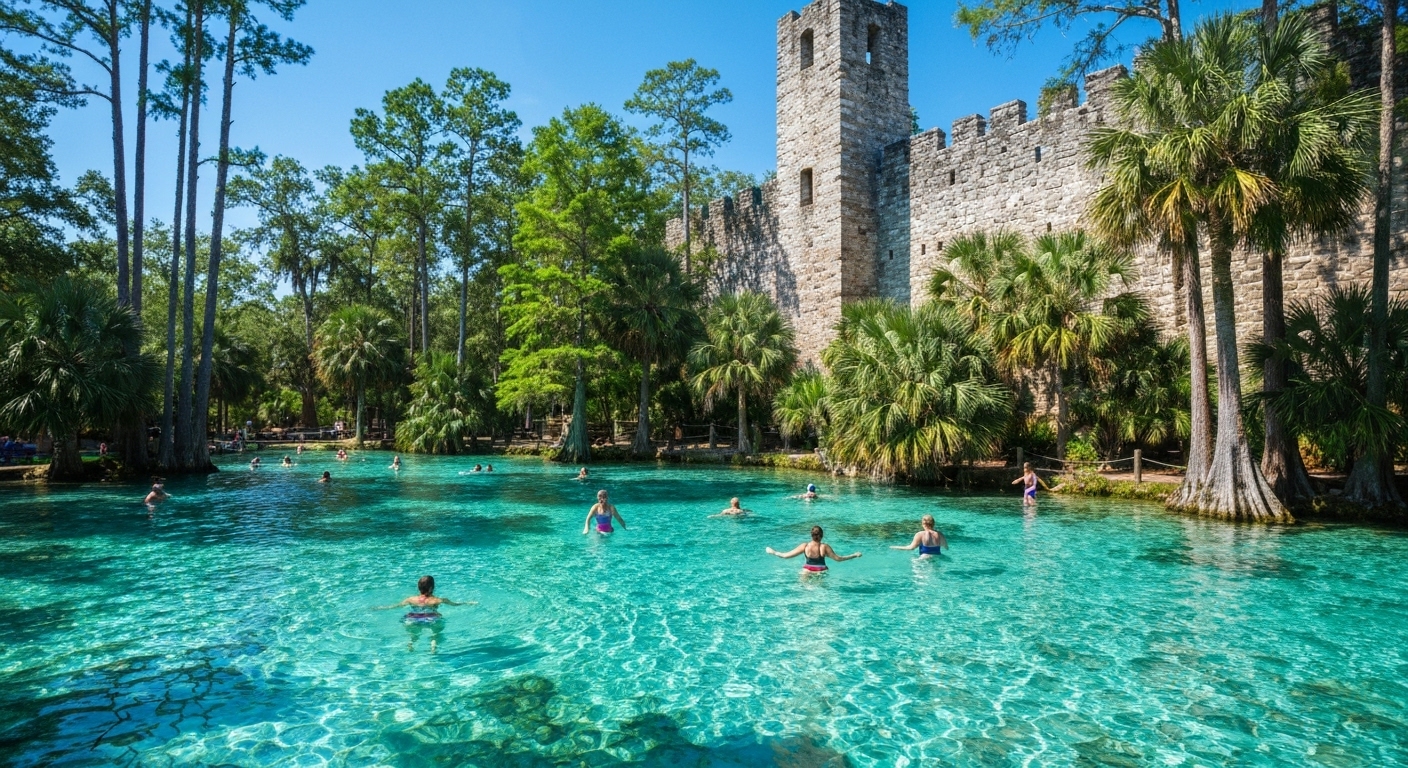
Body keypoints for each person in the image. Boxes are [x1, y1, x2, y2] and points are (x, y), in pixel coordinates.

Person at [375, 575, 474, 653]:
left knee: (414, 634)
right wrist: (468, 603)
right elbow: (455, 604)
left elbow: (395, 606)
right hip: (431, 619)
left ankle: (411, 643)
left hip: (413, 618)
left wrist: (381, 608)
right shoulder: (438, 600)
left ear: (418, 587)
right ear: (432, 588)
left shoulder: (411, 599)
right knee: (435, 634)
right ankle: (433, 649)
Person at [767, 526, 861, 574]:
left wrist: (773, 552)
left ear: (811, 535)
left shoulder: (805, 546)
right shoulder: (824, 547)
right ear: (822, 535)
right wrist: (854, 555)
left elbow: (785, 556)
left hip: (807, 571)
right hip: (821, 571)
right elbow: (839, 559)